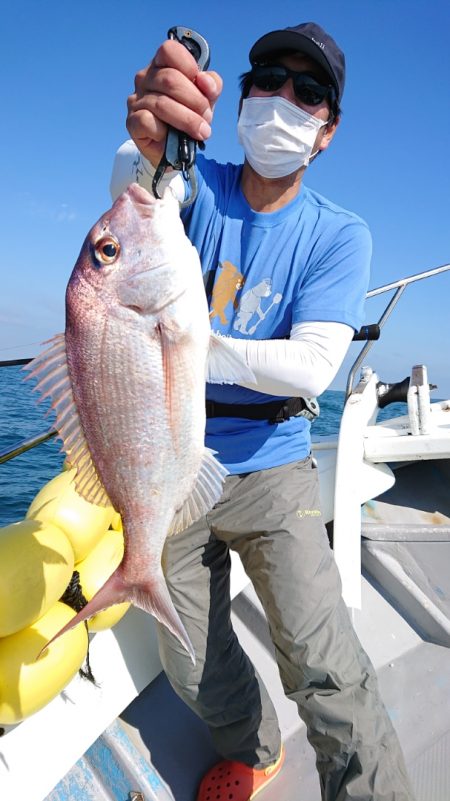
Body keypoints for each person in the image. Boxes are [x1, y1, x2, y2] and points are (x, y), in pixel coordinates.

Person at [111, 21, 415, 801]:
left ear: (327, 130)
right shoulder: (197, 186)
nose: (284, 98)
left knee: (326, 661)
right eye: (267, 81)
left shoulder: (340, 235)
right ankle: (252, 742)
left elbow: (314, 363)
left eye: (308, 91)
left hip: (275, 461)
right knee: (191, 658)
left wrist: (195, 341)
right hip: (173, 459)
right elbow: (139, 200)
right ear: (240, 98)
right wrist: (147, 147)